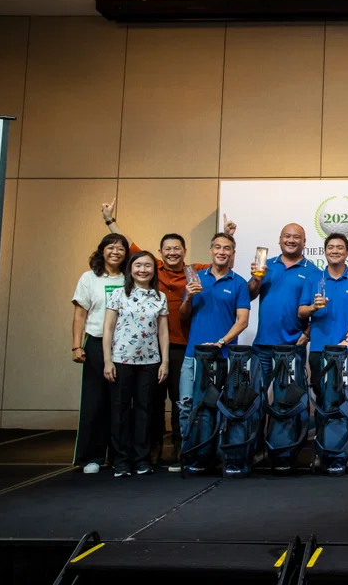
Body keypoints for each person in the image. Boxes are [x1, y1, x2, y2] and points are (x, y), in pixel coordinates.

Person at [100, 198, 236, 470]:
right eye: (168, 249)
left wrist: (227, 235)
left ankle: (179, 451)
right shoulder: (150, 269)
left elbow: (221, 258)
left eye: (177, 249)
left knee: (180, 400)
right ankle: (150, 451)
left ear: (185, 251)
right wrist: (109, 220)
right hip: (151, 349)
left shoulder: (195, 271)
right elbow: (130, 246)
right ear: (160, 252)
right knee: (150, 401)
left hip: (182, 346)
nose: (173, 253)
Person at [299, 232, 348, 468]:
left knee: (346, 400)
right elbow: (301, 311)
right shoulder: (313, 279)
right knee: (322, 401)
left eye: (340, 247)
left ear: (347, 252)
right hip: (319, 349)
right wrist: (312, 307)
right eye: (331, 247)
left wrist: (347, 340)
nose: (335, 251)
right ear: (325, 251)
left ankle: (345, 452)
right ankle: (321, 451)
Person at [179, 232, 251, 448]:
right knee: (187, 404)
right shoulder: (196, 277)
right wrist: (188, 297)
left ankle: (219, 453)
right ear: (211, 250)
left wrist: (221, 342)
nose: (222, 252)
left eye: (227, 248)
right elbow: (183, 315)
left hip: (224, 356)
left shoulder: (239, 283)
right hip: (193, 354)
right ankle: (189, 452)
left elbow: (243, 321)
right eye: (217, 247)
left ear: (233, 253)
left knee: (223, 405)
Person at [102, 251, 169, 477]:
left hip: (150, 362)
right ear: (130, 269)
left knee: (145, 411)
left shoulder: (159, 297)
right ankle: (121, 460)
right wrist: (107, 360)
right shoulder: (118, 294)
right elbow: (108, 329)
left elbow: (163, 332)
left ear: (154, 270)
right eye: (138, 265)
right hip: (121, 360)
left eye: (148, 265)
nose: (143, 270)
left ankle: (142, 459)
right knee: (120, 410)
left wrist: (165, 361)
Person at [71, 233, 128, 474]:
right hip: (95, 342)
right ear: (102, 250)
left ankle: (117, 456)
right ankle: (91, 457)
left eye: (121, 248)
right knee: (94, 401)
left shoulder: (130, 277)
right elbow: (79, 315)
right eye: (110, 247)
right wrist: (77, 345)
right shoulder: (89, 278)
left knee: (121, 402)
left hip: (125, 346)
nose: (115, 252)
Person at [249, 223, 321, 388]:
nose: (291, 240)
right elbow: (250, 296)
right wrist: (256, 281)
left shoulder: (313, 272)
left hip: (293, 346)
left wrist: (307, 334)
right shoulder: (266, 266)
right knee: (254, 396)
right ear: (280, 240)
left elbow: (321, 309)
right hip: (262, 345)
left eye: (296, 237)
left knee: (288, 399)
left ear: (304, 242)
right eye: (287, 236)